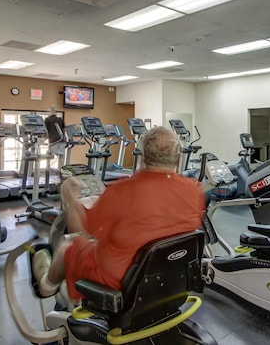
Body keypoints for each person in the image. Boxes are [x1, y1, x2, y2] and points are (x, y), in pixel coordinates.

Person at [33, 126, 205, 301]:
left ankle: (46, 287)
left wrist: (70, 198)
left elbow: (81, 230)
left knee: (66, 246)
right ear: (179, 158)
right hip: (172, 275)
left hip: (123, 280)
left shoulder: (122, 190)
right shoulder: (193, 189)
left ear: (143, 158)